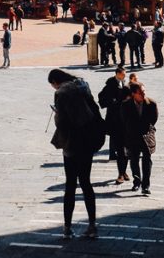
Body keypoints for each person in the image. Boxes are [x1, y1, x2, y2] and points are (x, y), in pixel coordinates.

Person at [48, 69, 103, 240]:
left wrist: (56, 114)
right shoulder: (82, 85)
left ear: (56, 82)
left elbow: (62, 121)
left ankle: (67, 227)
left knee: (70, 185)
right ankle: (92, 225)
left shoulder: (61, 93)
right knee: (86, 183)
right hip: (88, 140)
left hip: (72, 142)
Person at [120, 80, 157, 196]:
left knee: (147, 160)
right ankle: (137, 182)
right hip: (132, 137)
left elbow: (154, 119)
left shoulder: (151, 104)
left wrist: (146, 128)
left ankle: (146, 185)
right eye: (140, 93)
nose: (143, 94)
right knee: (134, 161)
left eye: (144, 92)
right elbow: (124, 121)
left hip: (146, 136)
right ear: (133, 94)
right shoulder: (126, 105)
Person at [98, 65, 130, 184]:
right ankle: (120, 173)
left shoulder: (126, 84)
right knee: (120, 150)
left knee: (126, 150)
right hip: (115, 120)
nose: (124, 77)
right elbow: (102, 98)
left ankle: (124, 171)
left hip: (126, 121)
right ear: (117, 74)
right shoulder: (110, 85)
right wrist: (113, 102)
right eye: (122, 75)